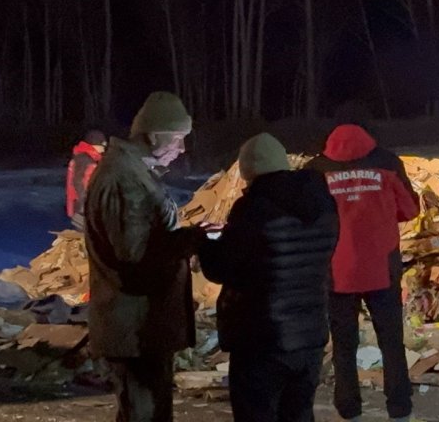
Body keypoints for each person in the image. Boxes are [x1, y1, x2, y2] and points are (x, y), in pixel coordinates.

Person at [85, 92, 211, 422]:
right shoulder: (124, 178)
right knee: (144, 413)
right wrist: (191, 239)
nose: (182, 149)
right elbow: (135, 258)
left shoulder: (132, 172)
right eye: (178, 139)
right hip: (134, 326)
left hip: (141, 325)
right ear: (154, 135)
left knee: (145, 412)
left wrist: (189, 236)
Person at [200, 134, 339, 422]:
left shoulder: (253, 208)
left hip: (262, 338)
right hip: (310, 335)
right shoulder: (322, 204)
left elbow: (221, 268)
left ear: (249, 170)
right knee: (299, 415)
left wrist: (205, 242)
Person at [307, 124, 419, 422]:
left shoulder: (316, 169)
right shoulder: (386, 162)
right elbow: (410, 209)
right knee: (391, 341)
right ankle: (399, 409)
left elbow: (309, 216)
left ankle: (349, 409)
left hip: (336, 271)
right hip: (382, 268)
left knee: (344, 344)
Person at [66, 130, 107, 231]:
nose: (103, 148)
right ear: (94, 145)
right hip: (83, 208)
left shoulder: (89, 158)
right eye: (101, 144)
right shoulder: (84, 159)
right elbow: (79, 183)